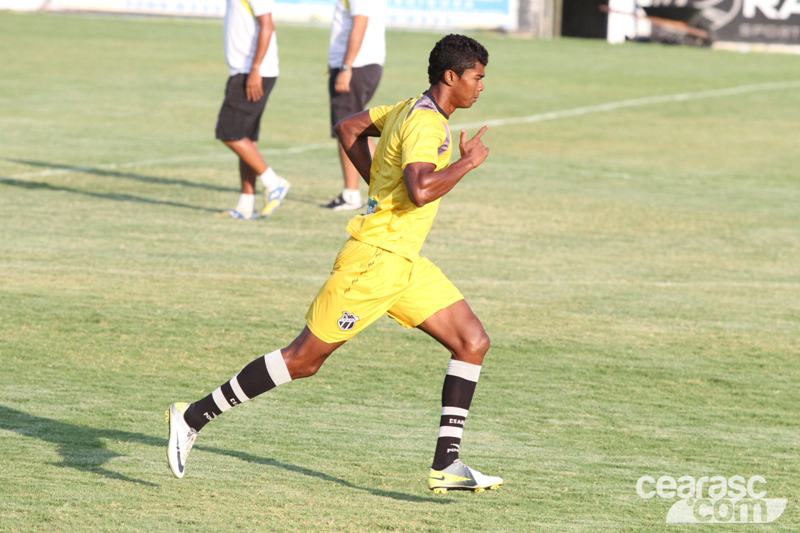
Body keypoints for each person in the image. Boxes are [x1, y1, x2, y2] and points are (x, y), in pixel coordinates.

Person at [167, 34, 502, 493]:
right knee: (303, 360)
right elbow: (421, 189)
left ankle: (447, 464)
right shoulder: (427, 125)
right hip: (373, 261)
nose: (481, 87)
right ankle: (192, 416)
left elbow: (348, 128)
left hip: (404, 262)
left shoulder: (407, 107)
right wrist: (467, 164)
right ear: (451, 76)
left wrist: (380, 187)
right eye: (477, 77)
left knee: (471, 340)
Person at [215, 0, 290, 219]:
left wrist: (255, 69)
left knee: (229, 133)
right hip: (245, 70)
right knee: (246, 139)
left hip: (252, 73)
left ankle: (273, 182)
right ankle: (245, 206)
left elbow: (267, 25)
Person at [319, 0, 386, 211]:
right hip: (361, 65)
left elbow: (360, 23)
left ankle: (352, 194)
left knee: (346, 128)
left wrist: (346, 66)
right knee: (356, 129)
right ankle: (389, 187)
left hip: (356, 66)